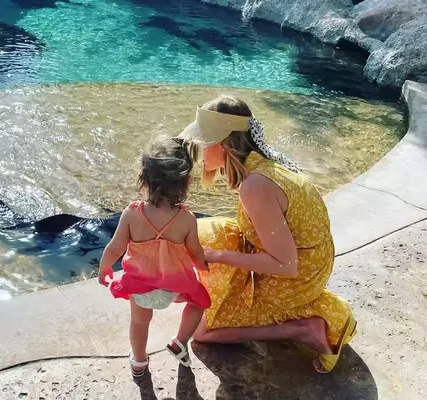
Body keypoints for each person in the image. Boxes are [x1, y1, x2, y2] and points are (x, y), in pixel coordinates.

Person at [177, 95, 357, 374]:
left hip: (297, 276)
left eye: (203, 142)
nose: (199, 150)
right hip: (308, 259)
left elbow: (286, 264)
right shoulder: (262, 163)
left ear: (223, 144)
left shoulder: (255, 186)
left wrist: (217, 256)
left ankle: (304, 328)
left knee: (204, 332)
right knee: (202, 232)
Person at [97, 135, 211, 378]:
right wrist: (203, 265)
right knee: (198, 302)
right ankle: (180, 342)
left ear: (143, 178)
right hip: (173, 286)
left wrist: (104, 267)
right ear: (186, 182)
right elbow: (196, 252)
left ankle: (138, 362)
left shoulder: (131, 214)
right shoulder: (187, 219)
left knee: (139, 323)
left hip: (140, 286)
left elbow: (114, 247)